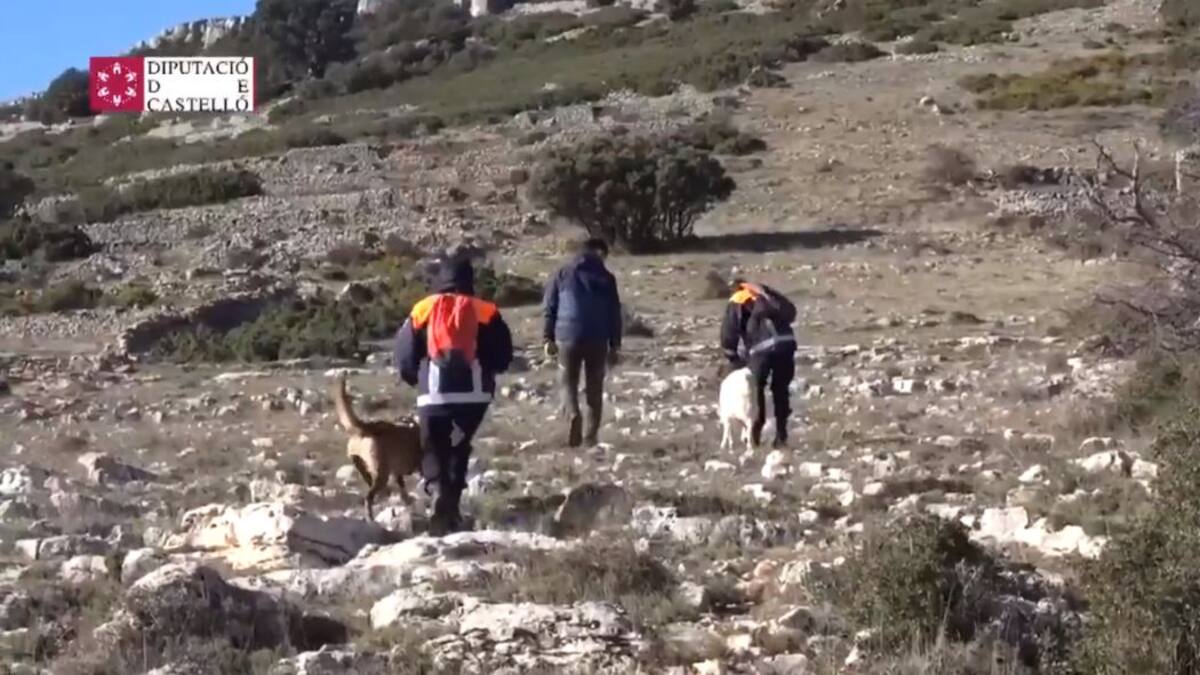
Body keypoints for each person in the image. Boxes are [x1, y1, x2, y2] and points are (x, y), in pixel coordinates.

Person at [395, 256, 513, 534]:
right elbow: (503, 355)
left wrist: (416, 378)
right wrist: (486, 373)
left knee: (434, 446)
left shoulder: (423, 309)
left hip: (433, 396)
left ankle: (438, 492)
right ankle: (452, 506)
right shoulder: (485, 310)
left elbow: (404, 356)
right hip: (474, 398)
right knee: (459, 445)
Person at [542, 238, 623, 448]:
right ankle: (591, 437)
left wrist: (547, 338)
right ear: (599, 252)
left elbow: (550, 308)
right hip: (598, 339)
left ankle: (573, 414)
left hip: (567, 336)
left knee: (567, 381)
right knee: (594, 387)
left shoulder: (562, 273)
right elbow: (615, 314)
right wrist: (615, 346)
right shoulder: (607, 278)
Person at [719, 278, 798, 449]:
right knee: (781, 389)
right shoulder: (765, 295)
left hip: (761, 348)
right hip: (786, 343)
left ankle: (754, 435)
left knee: (756, 389)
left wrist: (732, 356)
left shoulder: (738, 299)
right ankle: (781, 435)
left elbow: (728, 332)